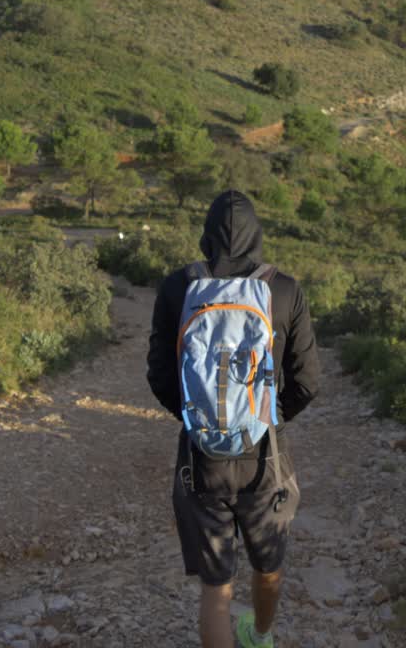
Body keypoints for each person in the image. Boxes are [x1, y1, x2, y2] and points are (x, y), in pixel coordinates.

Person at [148, 190, 320, 648]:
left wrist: (196, 418)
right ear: (257, 234)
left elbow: (160, 375)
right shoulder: (283, 288)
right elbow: (307, 382)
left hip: (201, 456)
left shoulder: (177, 286)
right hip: (266, 457)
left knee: (216, 587)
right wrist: (268, 418)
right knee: (268, 565)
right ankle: (260, 636)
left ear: (205, 236)